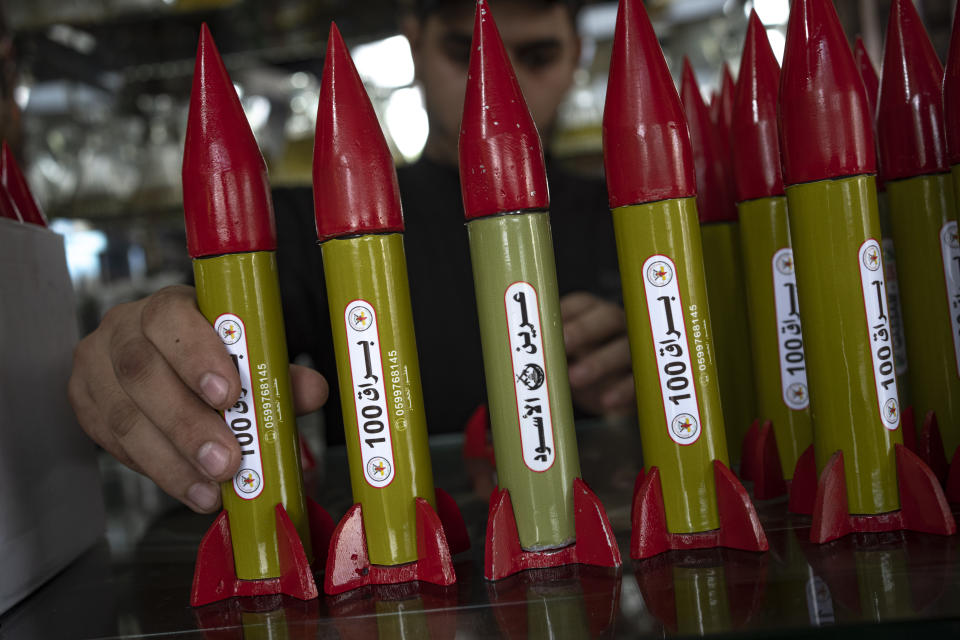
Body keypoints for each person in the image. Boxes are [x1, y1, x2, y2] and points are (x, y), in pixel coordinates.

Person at [68, 0, 634, 515]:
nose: (496, 81)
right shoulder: (309, 226)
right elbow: (205, 322)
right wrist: (146, 343)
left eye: (537, 56)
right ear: (413, 40)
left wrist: (649, 371)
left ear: (579, 53)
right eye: (464, 50)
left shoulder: (630, 222)